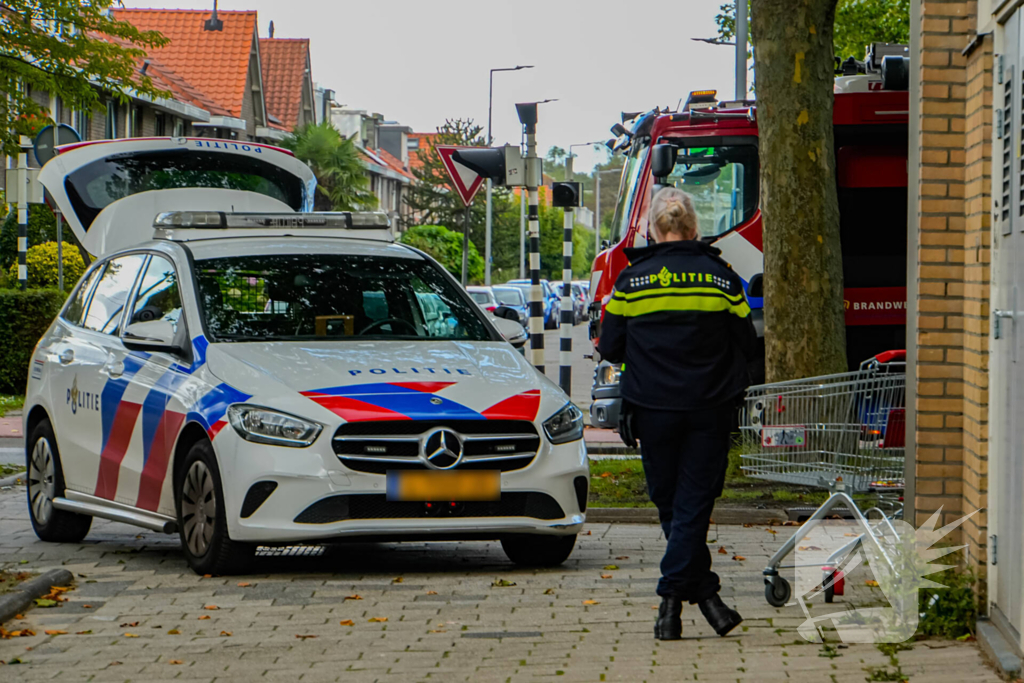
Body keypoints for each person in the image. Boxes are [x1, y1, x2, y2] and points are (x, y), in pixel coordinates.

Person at [597, 186, 757, 641]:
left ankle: (673, 603)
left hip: (652, 410)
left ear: (652, 229)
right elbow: (746, 343)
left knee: (672, 503)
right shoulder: (721, 278)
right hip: (709, 408)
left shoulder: (631, 280)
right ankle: (703, 597)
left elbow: (610, 346)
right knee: (692, 504)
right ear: (693, 227)